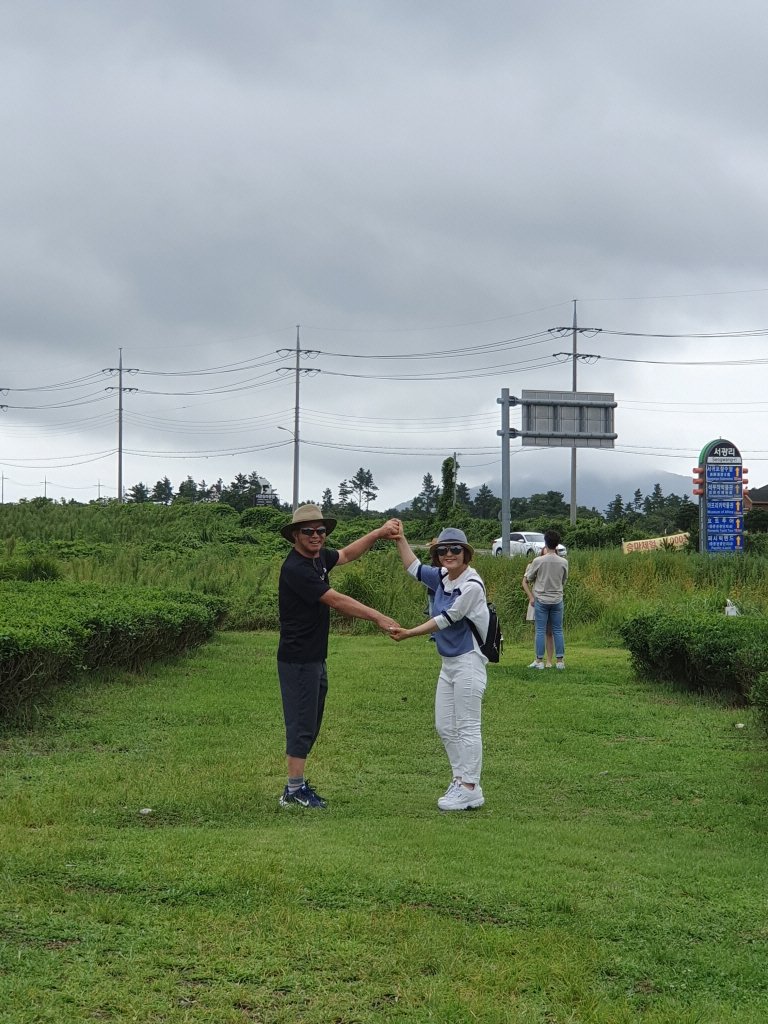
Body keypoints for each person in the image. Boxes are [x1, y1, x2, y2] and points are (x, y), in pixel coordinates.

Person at [277, 504, 401, 809]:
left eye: (321, 531)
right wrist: (377, 616)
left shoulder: (318, 558)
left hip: (315, 657)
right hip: (298, 659)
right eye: (309, 531)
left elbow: (345, 554)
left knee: (311, 721)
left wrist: (378, 533)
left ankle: (296, 784)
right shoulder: (296, 568)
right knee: (301, 723)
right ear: (296, 535)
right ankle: (293, 792)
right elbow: (334, 599)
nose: (317, 536)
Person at [389, 526, 489, 811]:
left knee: (468, 726)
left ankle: (470, 787)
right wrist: (400, 539)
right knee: (445, 725)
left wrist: (409, 633)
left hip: (469, 661)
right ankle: (460, 781)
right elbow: (414, 568)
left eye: (455, 549)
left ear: (466, 553)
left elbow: (447, 618)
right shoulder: (443, 577)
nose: (449, 554)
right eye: (443, 550)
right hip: (448, 663)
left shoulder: (471, 585)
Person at [522, 529, 568, 670]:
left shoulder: (538, 560)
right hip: (557, 598)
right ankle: (560, 661)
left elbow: (528, 578)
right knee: (557, 630)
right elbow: (564, 580)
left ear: (546, 543)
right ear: (557, 544)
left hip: (541, 599)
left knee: (540, 630)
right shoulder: (564, 562)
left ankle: (539, 661)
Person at [525, 585, 554, 667]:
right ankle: (538, 659)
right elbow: (524, 581)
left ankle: (549, 661)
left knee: (549, 632)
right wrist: (531, 597)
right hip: (538, 599)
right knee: (539, 631)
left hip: (551, 599)